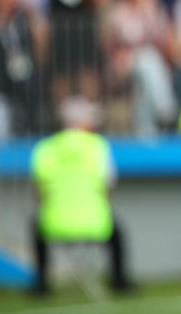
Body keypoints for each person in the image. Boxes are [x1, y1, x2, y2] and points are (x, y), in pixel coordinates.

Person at [29, 97, 133, 295]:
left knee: (36, 227)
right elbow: (109, 187)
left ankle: (41, 283)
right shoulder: (98, 146)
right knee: (117, 232)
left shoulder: (44, 148)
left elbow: (37, 191)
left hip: (54, 223)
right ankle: (120, 281)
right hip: (96, 223)